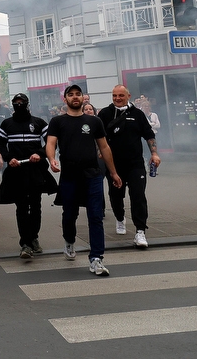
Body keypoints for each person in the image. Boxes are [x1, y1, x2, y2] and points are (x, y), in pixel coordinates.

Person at [46, 85, 122, 276]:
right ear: (65, 100)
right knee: (69, 214)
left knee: (95, 216)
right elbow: (50, 143)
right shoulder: (57, 121)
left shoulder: (94, 121)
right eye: (70, 95)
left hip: (93, 175)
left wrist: (113, 172)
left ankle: (96, 258)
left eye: (77, 94)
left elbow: (104, 147)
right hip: (69, 175)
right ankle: (69, 241)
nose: (74, 97)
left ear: (83, 98)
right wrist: (52, 159)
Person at [97, 85, 160, 248]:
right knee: (116, 196)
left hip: (135, 164)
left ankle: (140, 231)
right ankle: (120, 218)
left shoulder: (137, 114)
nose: (117, 98)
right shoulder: (105, 114)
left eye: (120, 95)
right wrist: (98, 151)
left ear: (128, 96)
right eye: (114, 95)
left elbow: (149, 135)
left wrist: (154, 153)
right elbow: (98, 136)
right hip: (113, 165)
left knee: (138, 196)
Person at [0, 94, 56, 259]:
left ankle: (34, 238)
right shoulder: (6, 124)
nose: (19, 105)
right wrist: (9, 158)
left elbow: (50, 142)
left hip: (35, 170)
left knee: (35, 206)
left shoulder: (39, 123)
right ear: (13, 105)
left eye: (22, 103)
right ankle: (25, 243)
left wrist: (40, 154)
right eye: (16, 103)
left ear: (27, 104)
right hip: (16, 171)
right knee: (21, 207)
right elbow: (1, 144)